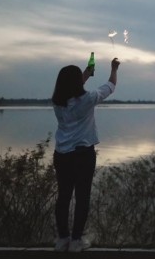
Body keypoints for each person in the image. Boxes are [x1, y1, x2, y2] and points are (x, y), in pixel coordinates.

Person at [51, 57, 120, 252]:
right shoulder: (88, 99)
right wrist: (114, 68)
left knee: (63, 196)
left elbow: (72, 88)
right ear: (77, 82)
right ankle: (76, 241)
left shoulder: (57, 102)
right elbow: (111, 85)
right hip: (82, 155)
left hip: (62, 154)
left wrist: (86, 74)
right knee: (82, 197)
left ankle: (62, 239)